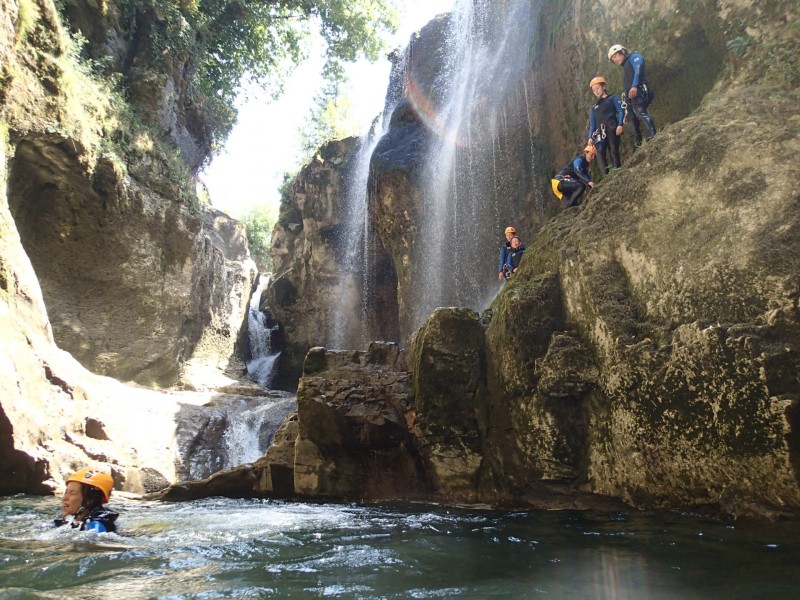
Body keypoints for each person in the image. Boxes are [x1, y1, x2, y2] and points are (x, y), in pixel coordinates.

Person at [608, 44, 656, 149]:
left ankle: (653, 132)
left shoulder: (634, 57)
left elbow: (639, 66)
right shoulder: (626, 66)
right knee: (632, 117)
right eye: (612, 59)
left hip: (639, 90)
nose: (614, 60)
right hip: (631, 95)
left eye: (615, 56)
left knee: (640, 111)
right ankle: (637, 143)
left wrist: (634, 86)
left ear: (622, 52)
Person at [55, 468, 118, 532]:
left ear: (89, 499)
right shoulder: (70, 520)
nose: (64, 498)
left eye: (72, 493)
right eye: (66, 492)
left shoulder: (98, 524)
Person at [587, 76, 625, 174]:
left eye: (598, 88)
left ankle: (618, 170)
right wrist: (590, 137)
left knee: (613, 149)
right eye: (594, 90)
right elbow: (592, 125)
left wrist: (620, 125)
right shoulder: (593, 108)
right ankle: (606, 176)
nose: (596, 91)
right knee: (600, 152)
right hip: (599, 132)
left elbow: (620, 111)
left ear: (604, 86)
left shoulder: (613, 98)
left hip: (612, 127)